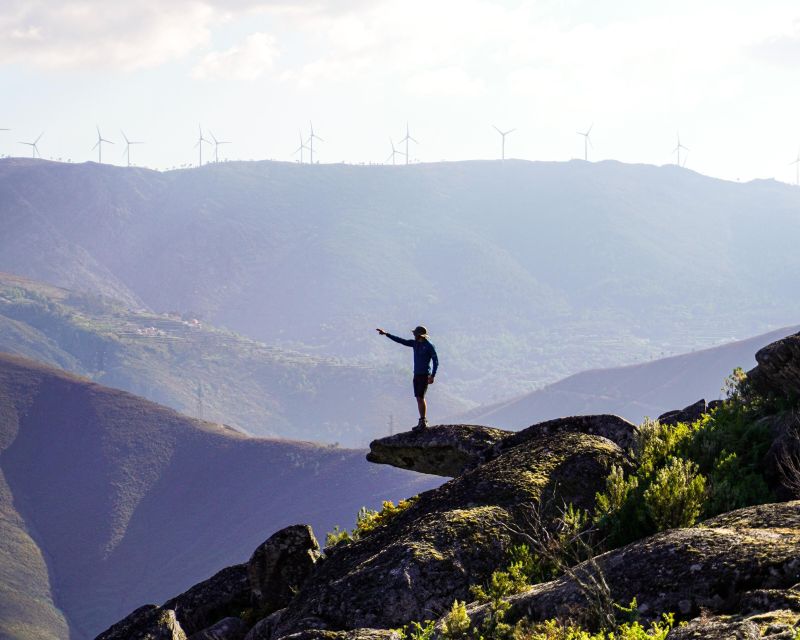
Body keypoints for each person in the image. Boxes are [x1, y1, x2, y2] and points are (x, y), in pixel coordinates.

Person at [376, 325, 438, 430]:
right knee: (418, 397)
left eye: (415, 334)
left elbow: (436, 361)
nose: (413, 335)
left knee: (421, 397)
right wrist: (386, 334)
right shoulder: (415, 344)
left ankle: (423, 421)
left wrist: (432, 375)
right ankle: (421, 421)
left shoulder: (429, 346)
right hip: (416, 374)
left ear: (419, 335)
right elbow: (401, 341)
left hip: (424, 375)